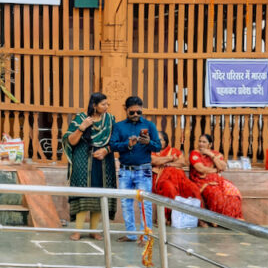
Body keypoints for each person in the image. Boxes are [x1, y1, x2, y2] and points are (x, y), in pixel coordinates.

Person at [62, 92, 117, 240]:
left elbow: (115, 140)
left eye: (107, 104)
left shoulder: (110, 120)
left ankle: (94, 230)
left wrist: (106, 150)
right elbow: (71, 141)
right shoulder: (81, 118)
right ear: (94, 105)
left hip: (104, 160)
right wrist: (82, 127)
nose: (106, 107)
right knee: (82, 192)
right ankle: (77, 231)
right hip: (83, 159)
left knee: (101, 192)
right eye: (103, 104)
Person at [110, 95, 161, 241]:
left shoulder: (149, 125)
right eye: (132, 112)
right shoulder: (119, 126)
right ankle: (131, 235)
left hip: (143, 170)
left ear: (142, 110)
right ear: (126, 110)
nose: (135, 115)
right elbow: (113, 145)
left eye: (138, 112)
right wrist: (128, 145)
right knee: (126, 204)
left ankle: (145, 236)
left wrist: (148, 142)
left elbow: (158, 146)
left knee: (145, 205)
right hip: (125, 170)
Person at [188, 134, 243, 219]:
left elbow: (222, 167)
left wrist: (210, 155)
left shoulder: (215, 154)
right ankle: (220, 220)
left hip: (217, 180)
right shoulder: (195, 154)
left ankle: (234, 218)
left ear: (210, 145)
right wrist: (215, 170)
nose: (201, 144)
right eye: (200, 141)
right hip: (201, 181)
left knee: (233, 192)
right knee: (216, 194)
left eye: (204, 142)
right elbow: (200, 169)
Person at [151, 131, 202, 222]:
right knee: (169, 188)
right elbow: (154, 161)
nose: (158, 142)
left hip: (180, 178)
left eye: (160, 140)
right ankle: (170, 218)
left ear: (166, 141)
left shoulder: (174, 150)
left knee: (194, 189)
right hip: (162, 179)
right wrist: (170, 158)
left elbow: (182, 162)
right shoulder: (152, 151)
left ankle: (199, 218)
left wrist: (167, 164)